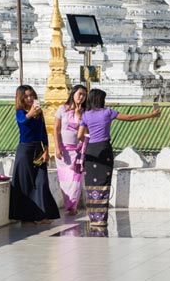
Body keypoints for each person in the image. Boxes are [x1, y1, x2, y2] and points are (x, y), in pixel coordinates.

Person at [77, 89, 160, 229]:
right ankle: (101, 219)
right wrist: (151, 115)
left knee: (91, 185)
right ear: (101, 100)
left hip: (91, 151)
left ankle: (93, 219)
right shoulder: (108, 112)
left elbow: (80, 136)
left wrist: (91, 133)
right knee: (103, 184)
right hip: (104, 149)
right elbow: (130, 118)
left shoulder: (85, 115)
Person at [9, 85, 60, 224]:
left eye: (31, 95)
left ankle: (43, 214)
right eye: (26, 96)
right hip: (25, 150)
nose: (30, 98)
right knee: (25, 184)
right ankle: (25, 217)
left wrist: (46, 149)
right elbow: (22, 121)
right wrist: (30, 113)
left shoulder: (39, 112)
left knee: (41, 182)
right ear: (21, 98)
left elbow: (43, 131)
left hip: (38, 149)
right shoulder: (20, 112)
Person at [54, 84, 87, 215]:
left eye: (84, 95)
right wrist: (57, 147)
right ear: (73, 94)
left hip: (77, 152)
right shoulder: (62, 109)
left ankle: (72, 207)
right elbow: (56, 130)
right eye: (80, 94)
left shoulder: (85, 112)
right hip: (63, 150)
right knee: (65, 181)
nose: (82, 97)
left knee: (76, 181)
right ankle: (68, 205)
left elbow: (84, 132)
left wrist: (79, 115)